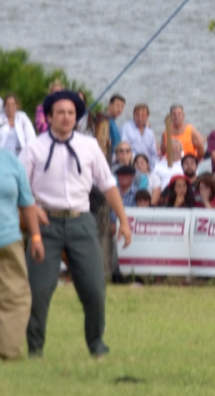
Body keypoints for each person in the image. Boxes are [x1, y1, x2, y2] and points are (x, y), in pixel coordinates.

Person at [19, 90, 132, 359]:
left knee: (94, 288)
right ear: (49, 116)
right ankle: (35, 349)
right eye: (60, 112)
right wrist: (32, 209)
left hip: (81, 221)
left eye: (71, 113)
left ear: (76, 117)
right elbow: (19, 188)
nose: (66, 117)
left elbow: (108, 185)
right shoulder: (34, 148)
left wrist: (124, 221)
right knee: (39, 290)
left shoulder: (89, 146)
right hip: (45, 225)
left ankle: (96, 344)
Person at [0, 149, 44, 360]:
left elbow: (27, 202)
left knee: (15, 297)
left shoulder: (11, 161)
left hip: (8, 241)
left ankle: (8, 352)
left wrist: (35, 237)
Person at [121, 103, 158, 170]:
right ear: (133, 115)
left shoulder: (150, 133)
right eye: (137, 115)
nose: (140, 118)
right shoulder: (126, 128)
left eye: (143, 116)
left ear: (147, 116)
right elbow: (124, 148)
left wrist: (151, 168)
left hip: (146, 167)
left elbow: (153, 153)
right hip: (130, 165)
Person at [150, 139, 185, 205]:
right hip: (163, 193)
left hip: (180, 192)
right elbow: (153, 181)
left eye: (176, 148)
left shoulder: (185, 164)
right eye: (171, 148)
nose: (174, 150)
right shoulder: (158, 165)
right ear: (167, 151)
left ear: (181, 151)